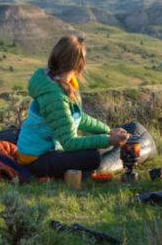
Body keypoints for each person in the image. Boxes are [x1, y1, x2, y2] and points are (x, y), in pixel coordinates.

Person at [16, 35, 130, 178]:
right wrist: (108, 140)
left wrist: (109, 130)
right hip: (35, 160)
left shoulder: (63, 83)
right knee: (92, 157)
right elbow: (69, 143)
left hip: (48, 151)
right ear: (79, 63)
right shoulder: (55, 97)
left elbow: (78, 118)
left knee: (97, 150)